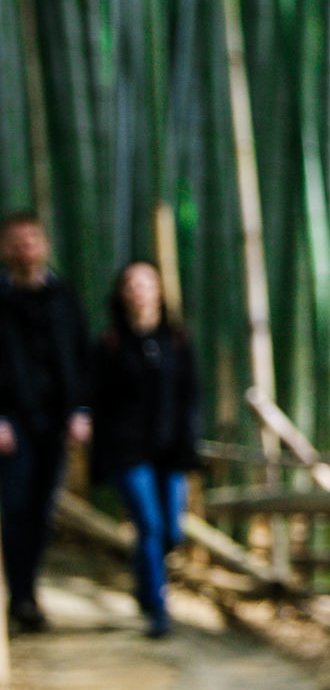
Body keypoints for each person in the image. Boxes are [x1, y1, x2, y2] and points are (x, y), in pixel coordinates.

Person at [92, 261, 200, 638]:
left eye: (146, 283)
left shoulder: (178, 341)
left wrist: (189, 441)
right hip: (128, 452)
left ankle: (142, 584)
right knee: (150, 526)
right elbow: (98, 401)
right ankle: (158, 608)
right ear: (122, 294)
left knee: (171, 531)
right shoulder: (110, 343)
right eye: (131, 284)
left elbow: (191, 397)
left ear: (159, 291)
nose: (138, 291)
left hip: (171, 450)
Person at [0, 212, 93, 632]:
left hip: (55, 421)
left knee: (42, 511)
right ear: (6, 249)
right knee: (15, 507)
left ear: (45, 246)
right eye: (17, 242)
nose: (26, 249)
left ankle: (27, 591)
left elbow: (81, 357)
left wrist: (82, 411)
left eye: (32, 240)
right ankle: (21, 597)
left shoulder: (65, 297)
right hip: (11, 422)